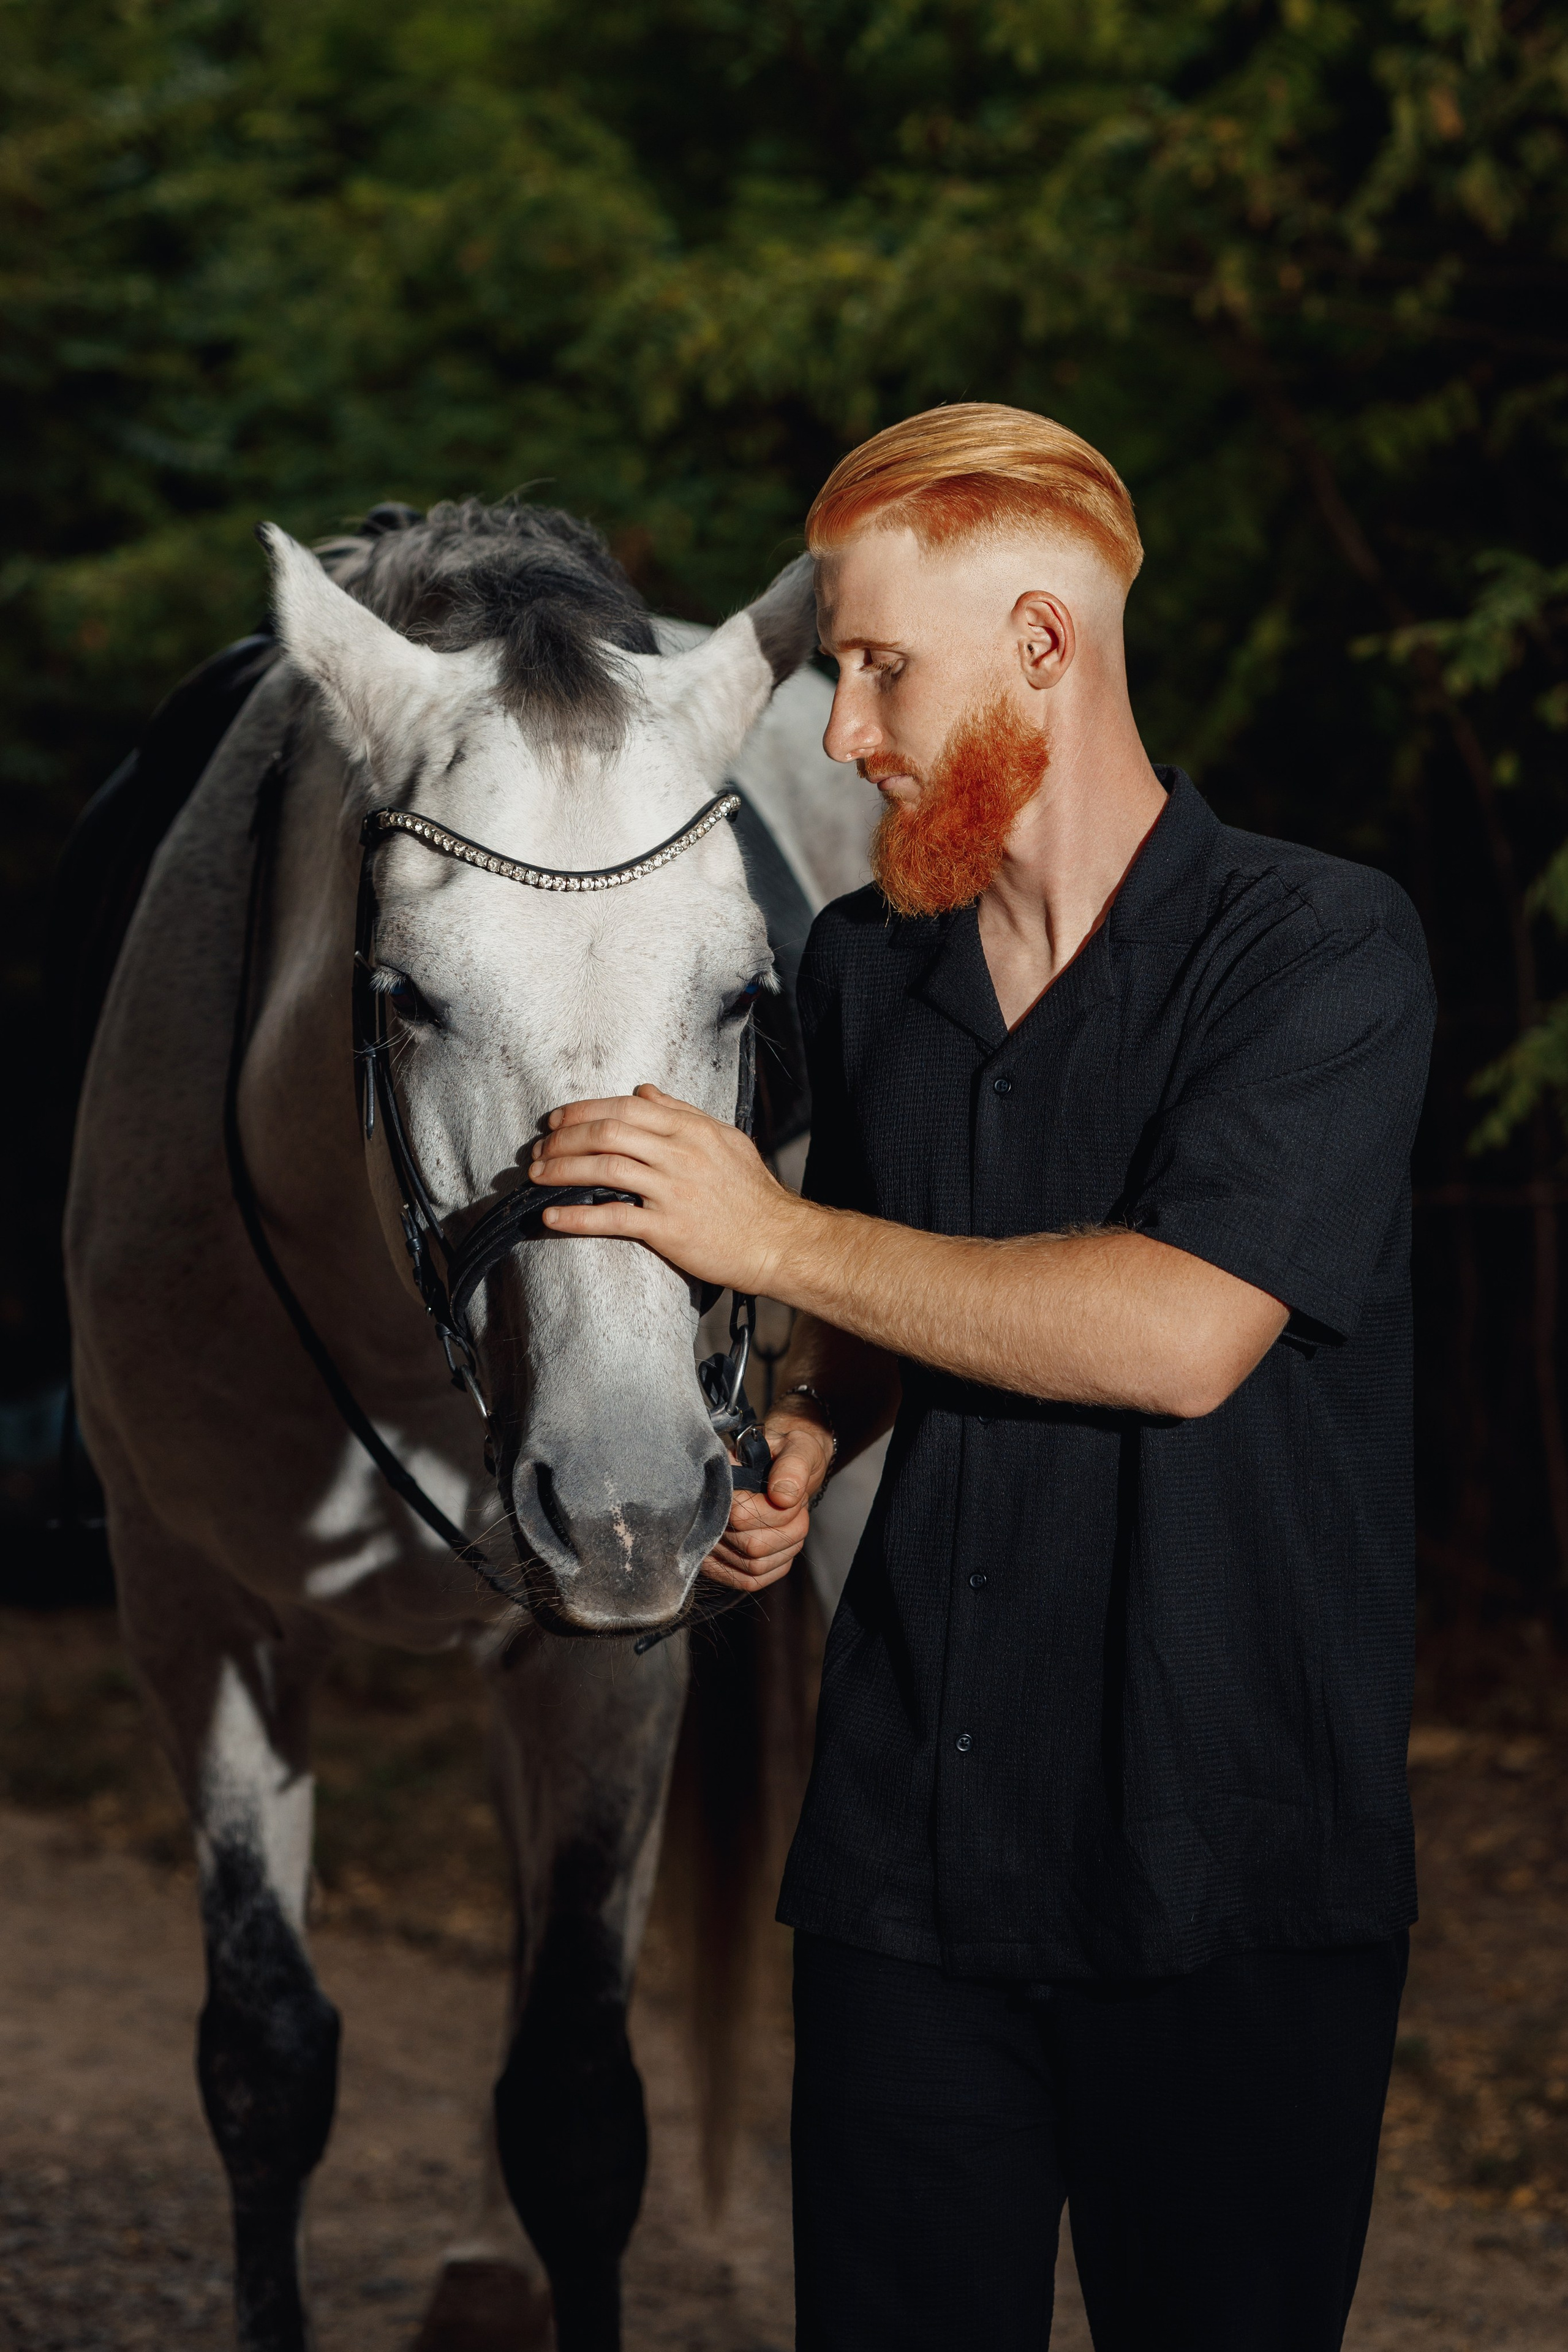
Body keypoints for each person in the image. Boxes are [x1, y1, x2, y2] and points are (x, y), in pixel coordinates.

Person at [527, 403, 1436, 2351]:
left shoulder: (1321, 948)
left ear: (1044, 644)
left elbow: (1180, 1336)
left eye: (878, 667)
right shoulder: (868, 968)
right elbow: (893, 1284)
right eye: (841, 672)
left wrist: (759, 1238)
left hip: (1233, 1873)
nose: (845, 732)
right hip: (908, 1870)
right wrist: (809, 1421)